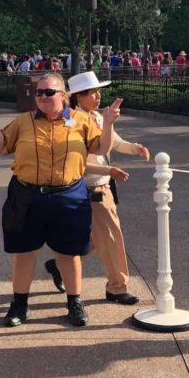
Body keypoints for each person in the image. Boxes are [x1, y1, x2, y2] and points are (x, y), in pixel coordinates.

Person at [0, 72, 122, 328]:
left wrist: (109, 124)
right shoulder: (23, 121)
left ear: (63, 95)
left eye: (48, 92)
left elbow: (102, 148)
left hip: (68, 195)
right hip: (27, 194)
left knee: (69, 252)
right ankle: (19, 304)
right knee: (24, 252)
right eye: (39, 93)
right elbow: (2, 146)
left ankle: (74, 302)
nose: (42, 97)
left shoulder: (81, 120)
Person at [66, 71, 150, 305]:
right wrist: (109, 170)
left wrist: (135, 148)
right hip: (89, 188)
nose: (98, 96)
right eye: (93, 92)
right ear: (79, 96)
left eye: (98, 91)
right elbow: (77, 162)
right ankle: (117, 287)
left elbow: (114, 142)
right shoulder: (70, 122)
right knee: (111, 237)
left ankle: (62, 265)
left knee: (92, 239)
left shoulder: (97, 117)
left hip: (102, 187)